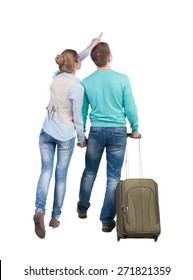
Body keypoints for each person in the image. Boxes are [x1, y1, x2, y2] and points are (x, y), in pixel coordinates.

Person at [33, 33, 103, 239]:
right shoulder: (77, 87)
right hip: (65, 136)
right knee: (60, 175)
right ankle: (55, 217)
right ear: (77, 65)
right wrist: (82, 139)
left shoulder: (57, 75)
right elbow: (78, 119)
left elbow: (71, 61)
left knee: (45, 171)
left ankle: (39, 211)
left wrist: (90, 46)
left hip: (46, 131)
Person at [77, 42, 140, 233]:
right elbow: (130, 107)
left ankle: (82, 209)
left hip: (95, 132)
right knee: (113, 177)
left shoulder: (85, 82)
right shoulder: (122, 79)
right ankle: (106, 221)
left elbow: (82, 113)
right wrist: (135, 128)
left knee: (89, 172)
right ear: (109, 57)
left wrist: (81, 136)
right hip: (118, 132)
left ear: (94, 60)